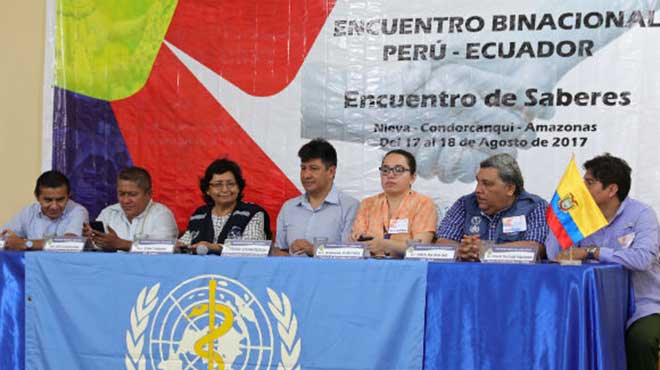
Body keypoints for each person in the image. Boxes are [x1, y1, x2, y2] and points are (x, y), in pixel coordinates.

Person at [546, 154, 660, 370]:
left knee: (642, 340)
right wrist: (562, 217)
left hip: (641, 306)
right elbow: (554, 255)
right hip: (591, 305)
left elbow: (643, 259)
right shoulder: (579, 213)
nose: (581, 188)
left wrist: (593, 252)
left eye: (589, 183)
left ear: (611, 190)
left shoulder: (641, 215)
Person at [436, 153, 548, 261]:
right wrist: (463, 250)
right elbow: (443, 243)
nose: (478, 190)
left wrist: (487, 250)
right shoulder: (465, 204)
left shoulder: (534, 206)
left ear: (510, 188)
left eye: (487, 184)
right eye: (478, 182)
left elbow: (535, 248)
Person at [275, 139, 359, 256]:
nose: (306, 175)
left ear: (331, 172)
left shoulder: (350, 207)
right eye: (303, 168)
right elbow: (280, 249)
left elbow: (351, 253)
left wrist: (314, 250)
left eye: (313, 169)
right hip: (292, 273)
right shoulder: (288, 207)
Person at [351, 149, 437, 258]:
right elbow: (357, 242)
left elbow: (420, 247)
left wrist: (387, 245)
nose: (390, 175)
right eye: (385, 170)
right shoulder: (367, 204)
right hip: (370, 267)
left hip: (408, 269)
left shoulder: (423, 203)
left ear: (412, 177)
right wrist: (359, 238)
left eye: (398, 169)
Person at [178, 158, 271, 255]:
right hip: (201, 270)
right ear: (207, 190)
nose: (225, 189)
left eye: (231, 184)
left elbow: (252, 249)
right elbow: (186, 242)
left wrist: (216, 248)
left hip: (238, 269)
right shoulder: (200, 214)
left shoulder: (252, 213)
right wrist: (177, 246)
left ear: (239, 187)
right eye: (218, 185)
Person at [83, 167, 177, 251]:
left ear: (149, 194)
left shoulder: (162, 215)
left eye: (132, 194)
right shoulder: (108, 213)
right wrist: (90, 240)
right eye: (121, 194)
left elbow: (164, 248)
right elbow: (96, 247)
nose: (126, 201)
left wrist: (121, 244)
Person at [1, 170, 88, 250]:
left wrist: (26, 243)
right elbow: (2, 238)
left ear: (69, 196)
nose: (54, 206)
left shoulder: (78, 211)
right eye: (48, 200)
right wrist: (8, 242)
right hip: (33, 266)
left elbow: (70, 243)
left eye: (60, 200)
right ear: (37, 197)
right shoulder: (29, 212)